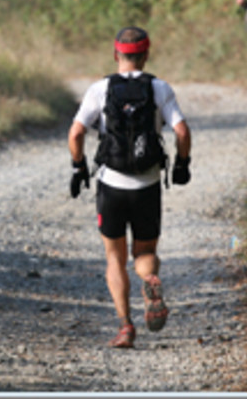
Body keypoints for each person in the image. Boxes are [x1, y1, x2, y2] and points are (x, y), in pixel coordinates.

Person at [68, 26, 192, 349]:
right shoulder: (159, 88)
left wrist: (79, 166)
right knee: (145, 252)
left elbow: (76, 133)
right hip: (147, 185)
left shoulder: (100, 89)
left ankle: (125, 327)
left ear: (116, 54)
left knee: (114, 257)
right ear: (146, 54)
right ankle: (150, 280)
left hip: (111, 185)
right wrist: (182, 165)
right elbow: (181, 131)